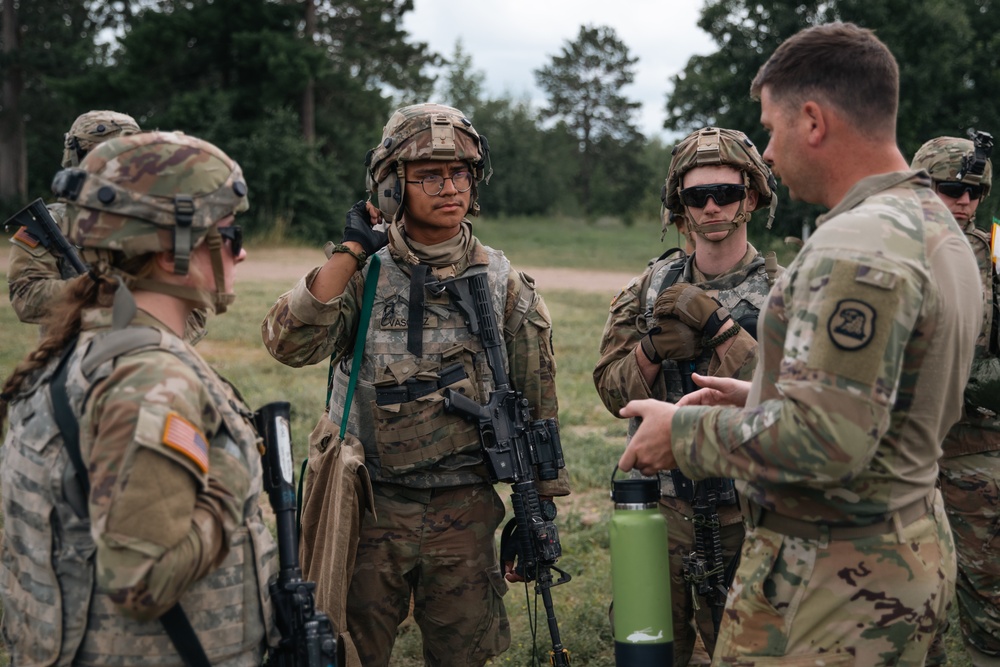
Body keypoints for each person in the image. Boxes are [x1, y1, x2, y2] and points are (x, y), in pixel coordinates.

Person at [618, 22, 982, 665]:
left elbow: (826, 443)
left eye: (771, 127)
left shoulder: (857, 246)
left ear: (812, 120)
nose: (770, 151)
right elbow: (880, 408)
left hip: (832, 585)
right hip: (895, 552)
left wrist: (680, 433)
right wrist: (758, 396)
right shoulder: (933, 228)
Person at [261, 102, 567, 667]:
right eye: (428, 175)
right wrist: (351, 253)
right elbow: (287, 345)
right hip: (370, 504)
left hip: (464, 506)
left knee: (463, 653)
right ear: (390, 185)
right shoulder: (363, 271)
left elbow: (536, 402)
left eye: (460, 173)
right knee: (349, 648)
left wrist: (538, 510)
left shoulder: (504, 284)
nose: (449, 187)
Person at [0, 130, 277, 664]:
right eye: (227, 233)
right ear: (171, 248)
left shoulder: (87, 343)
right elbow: (140, 583)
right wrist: (233, 467)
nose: (242, 253)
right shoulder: (149, 380)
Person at [593, 126, 780, 666]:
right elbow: (612, 393)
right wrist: (651, 350)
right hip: (662, 504)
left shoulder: (784, 292)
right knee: (651, 648)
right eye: (698, 196)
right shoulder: (648, 291)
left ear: (751, 198)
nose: (713, 206)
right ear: (681, 205)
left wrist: (721, 330)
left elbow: (792, 397)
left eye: (727, 193)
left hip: (753, 507)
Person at [911, 135, 1000, 667]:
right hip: (906, 449)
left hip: (977, 449)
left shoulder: (996, 254)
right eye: (951, 189)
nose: (964, 201)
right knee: (910, 592)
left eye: (974, 190)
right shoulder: (892, 251)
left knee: (987, 588)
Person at [7, 110, 140, 325]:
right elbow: (26, 295)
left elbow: (193, 309)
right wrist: (95, 290)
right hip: (74, 351)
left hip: (152, 352)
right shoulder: (52, 224)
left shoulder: (156, 220)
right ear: (79, 158)